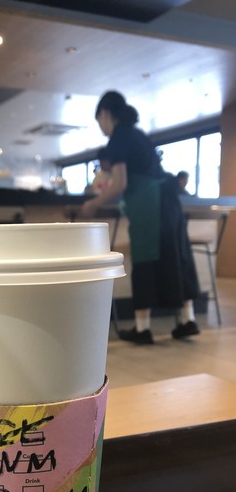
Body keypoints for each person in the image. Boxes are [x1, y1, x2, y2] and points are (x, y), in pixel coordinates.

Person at [81, 91, 200, 344]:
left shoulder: (118, 138)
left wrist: (93, 203)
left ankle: (143, 327)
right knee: (176, 256)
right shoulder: (138, 134)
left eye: (98, 120)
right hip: (169, 199)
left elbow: (120, 183)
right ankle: (187, 320)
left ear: (105, 113)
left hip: (149, 204)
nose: (100, 126)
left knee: (145, 260)